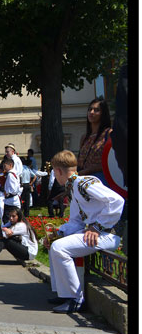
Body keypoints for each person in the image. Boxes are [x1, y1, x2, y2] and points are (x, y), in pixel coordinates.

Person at [43, 150, 124, 313]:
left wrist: (97, 227)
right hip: (97, 233)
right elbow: (76, 221)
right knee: (55, 244)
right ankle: (64, 293)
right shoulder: (74, 187)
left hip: (107, 234)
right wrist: (58, 234)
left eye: (54, 172)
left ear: (58, 171)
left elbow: (117, 200)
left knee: (59, 248)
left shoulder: (82, 183)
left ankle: (75, 299)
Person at [77, 98, 112, 183]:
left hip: (101, 179)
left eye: (96, 110)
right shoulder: (84, 137)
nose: (91, 112)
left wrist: (88, 170)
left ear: (103, 113)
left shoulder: (109, 134)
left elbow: (111, 162)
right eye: (90, 109)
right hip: (84, 180)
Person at [0, 157, 21, 224]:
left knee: (7, 218)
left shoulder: (10, 175)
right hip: (13, 200)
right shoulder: (15, 174)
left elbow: (14, 189)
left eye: (5, 166)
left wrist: (7, 193)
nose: (4, 168)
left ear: (10, 165)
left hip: (10, 200)